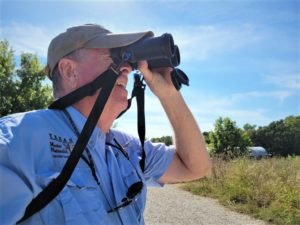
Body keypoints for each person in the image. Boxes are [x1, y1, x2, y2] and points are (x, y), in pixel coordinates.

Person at [0, 24, 211, 225]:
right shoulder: (17, 141)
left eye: (127, 58)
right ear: (69, 71)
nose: (127, 68)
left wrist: (169, 94)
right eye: (115, 57)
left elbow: (195, 167)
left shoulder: (127, 148)